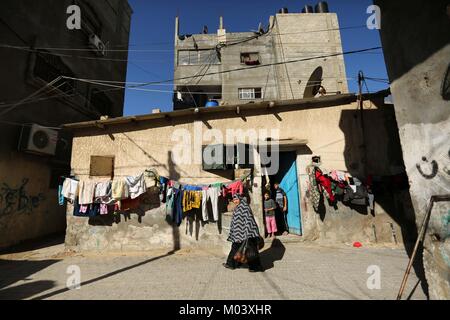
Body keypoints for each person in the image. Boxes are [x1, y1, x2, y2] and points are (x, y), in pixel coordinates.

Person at [223, 194, 264, 272]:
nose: (235, 201)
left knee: (250, 251)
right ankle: (231, 264)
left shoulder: (244, 207)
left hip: (247, 233)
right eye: (234, 200)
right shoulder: (238, 207)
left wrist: (247, 234)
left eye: (236, 199)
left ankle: (254, 267)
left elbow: (249, 220)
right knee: (236, 248)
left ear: (240, 199)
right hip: (239, 233)